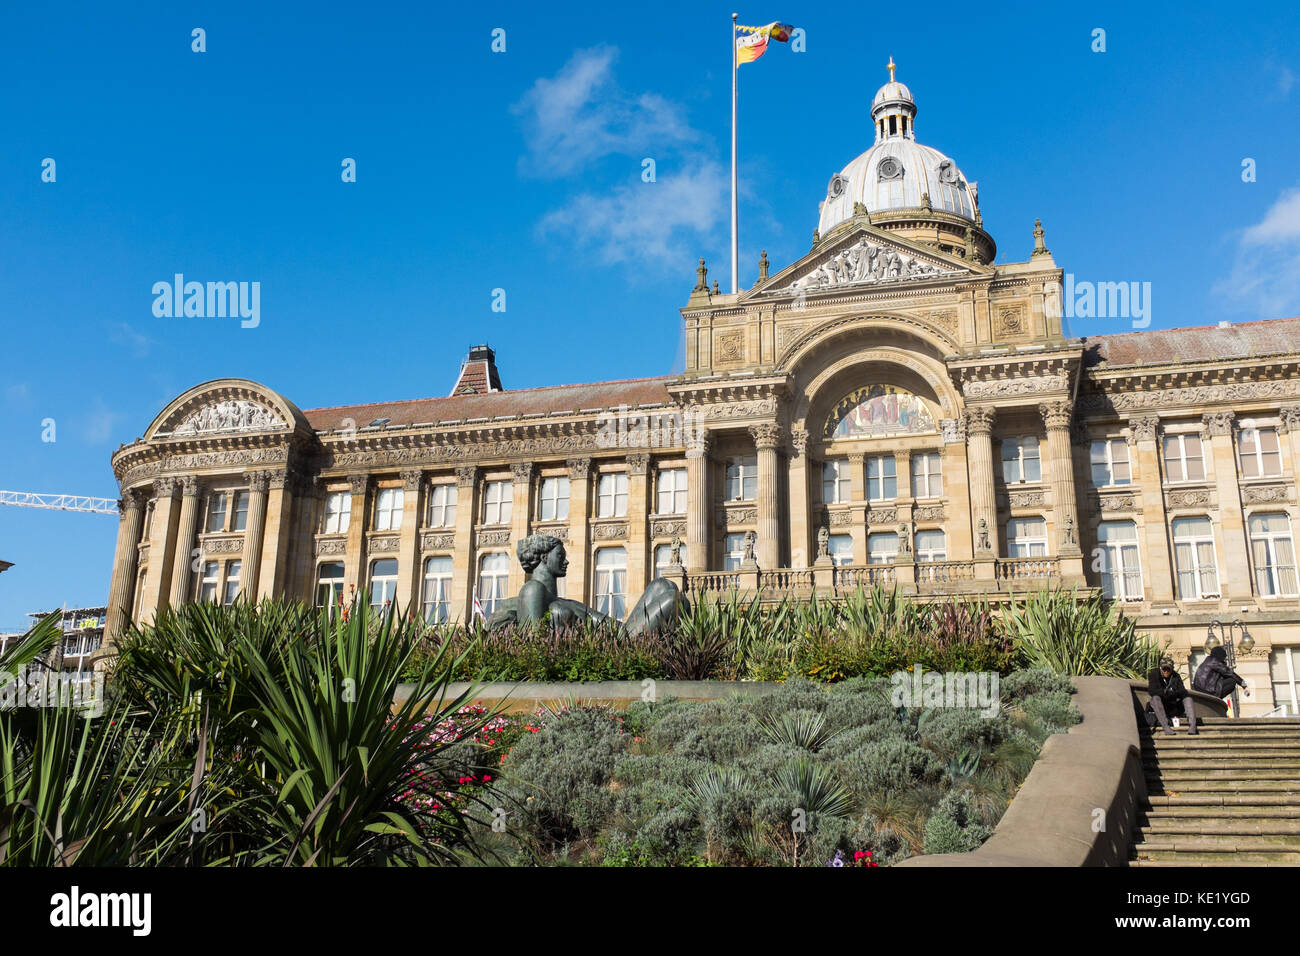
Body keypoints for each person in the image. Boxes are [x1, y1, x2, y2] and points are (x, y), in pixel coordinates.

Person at [1146, 656, 1198, 735]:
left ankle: (1192, 726)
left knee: (1188, 699)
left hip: (1173, 706)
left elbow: (1183, 692)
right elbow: (1152, 691)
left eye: (1168, 669)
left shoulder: (1176, 676)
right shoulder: (1154, 674)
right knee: (1155, 698)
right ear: (1160, 668)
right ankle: (1166, 727)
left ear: (1172, 669)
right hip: (1161, 705)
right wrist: (1165, 693)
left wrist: (1173, 693)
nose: (1166, 671)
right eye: (1164, 669)